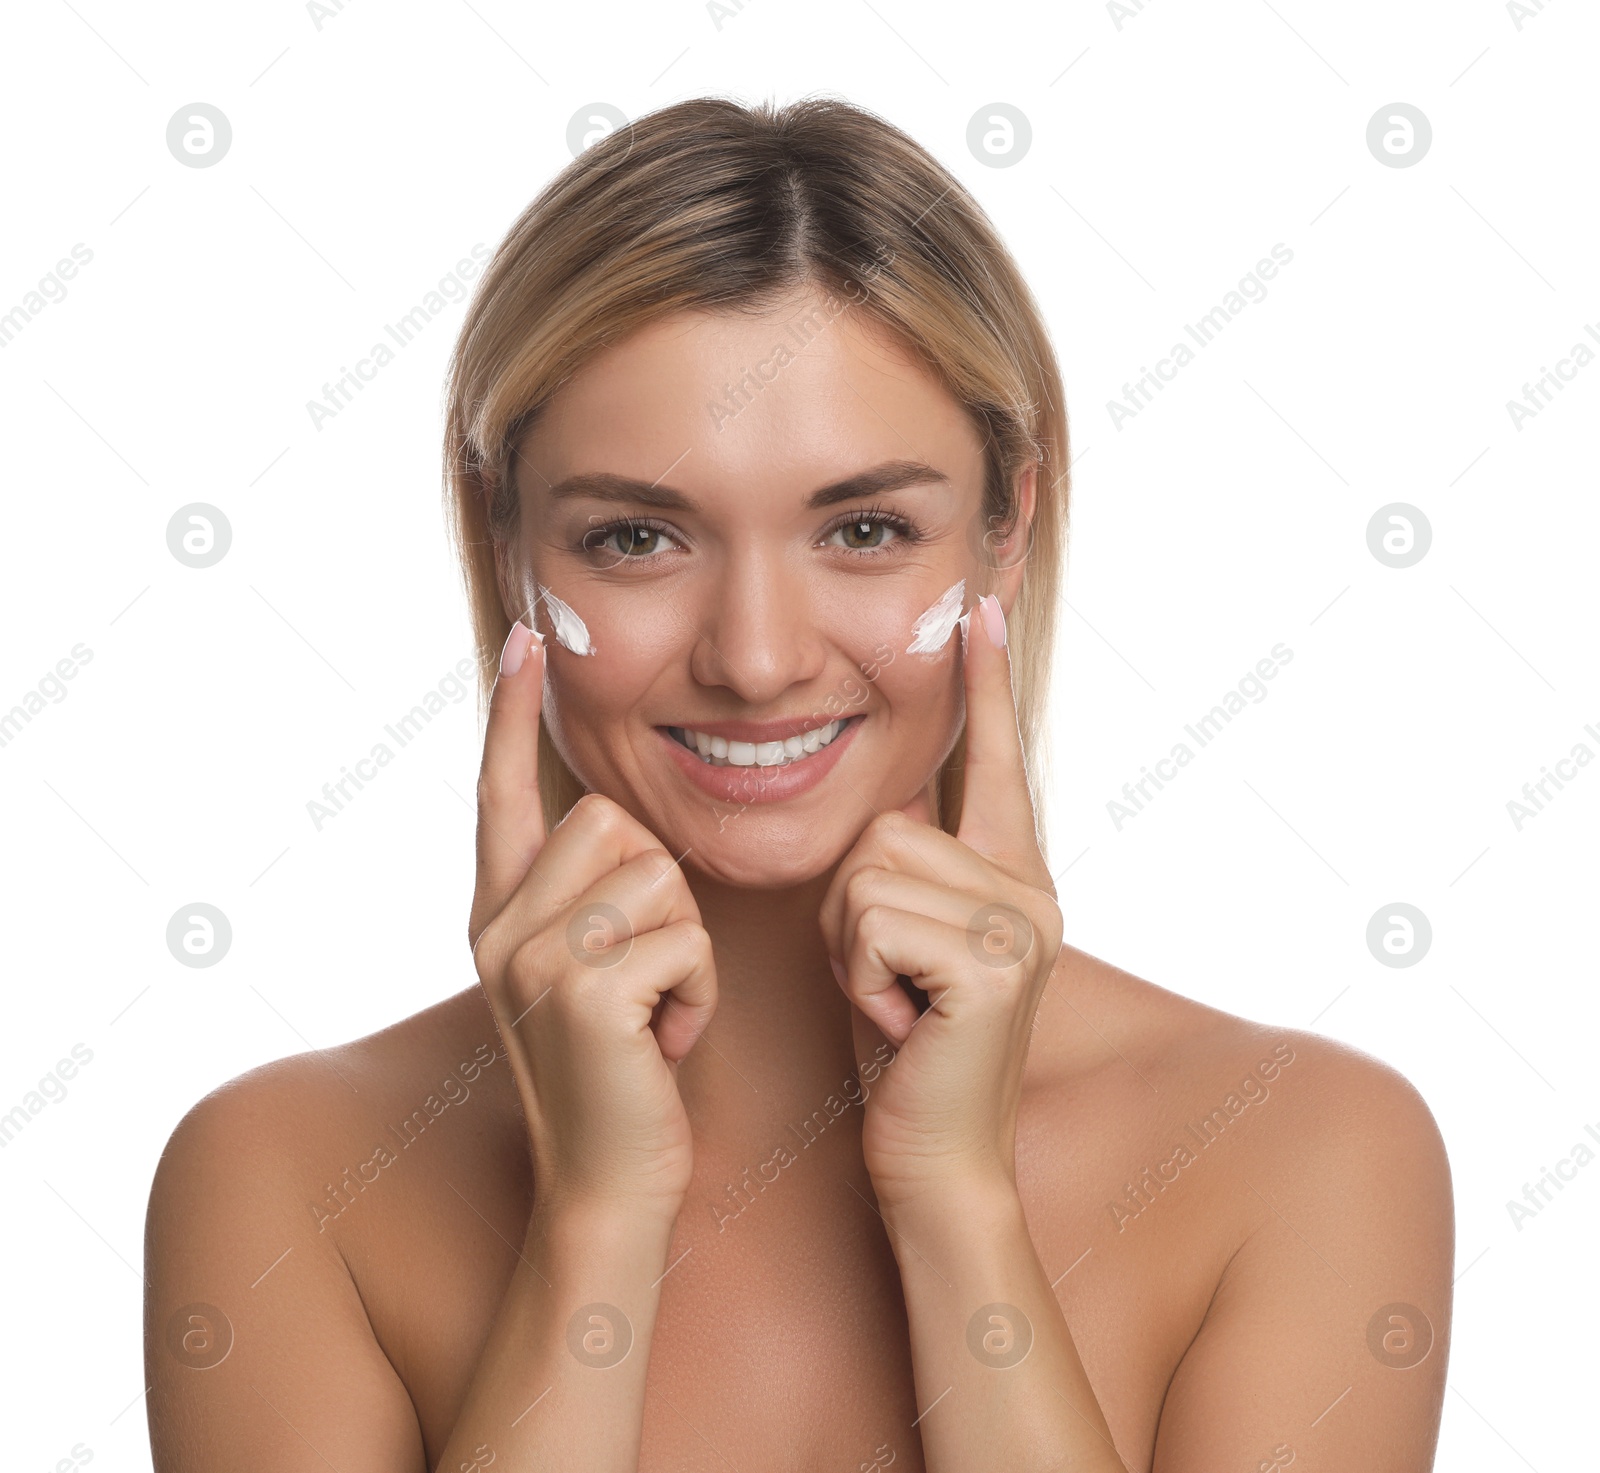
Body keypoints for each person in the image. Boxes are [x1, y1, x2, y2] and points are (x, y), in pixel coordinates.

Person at [144, 96, 1453, 1472]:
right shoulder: (283, 1176)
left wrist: (957, 1205)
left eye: (868, 528)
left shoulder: (1307, 1153)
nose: (758, 658)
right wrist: (595, 1220)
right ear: (510, 543)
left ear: (1006, 531)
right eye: (639, 535)